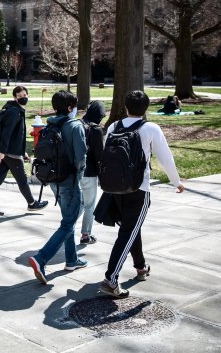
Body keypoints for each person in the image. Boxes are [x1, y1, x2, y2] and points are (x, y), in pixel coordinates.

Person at [100, 90, 184, 298]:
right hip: (139, 188)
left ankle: (141, 267)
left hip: (114, 188)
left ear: (126, 107)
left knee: (131, 227)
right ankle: (111, 279)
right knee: (128, 231)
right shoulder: (150, 128)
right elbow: (165, 158)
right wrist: (177, 182)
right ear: (145, 109)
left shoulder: (113, 127)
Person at [28, 90, 87, 284]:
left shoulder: (49, 125)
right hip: (69, 181)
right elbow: (80, 157)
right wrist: (79, 176)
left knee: (67, 220)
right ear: (70, 107)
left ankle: (71, 260)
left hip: (53, 180)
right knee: (68, 223)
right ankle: (41, 258)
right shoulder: (75, 126)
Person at [0, 85, 48, 217]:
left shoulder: (14, 109)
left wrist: (22, 151)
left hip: (10, 151)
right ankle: (32, 204)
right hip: (10, 152)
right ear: (15, 98)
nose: (23, 98)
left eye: (25, 95)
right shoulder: (14, 112)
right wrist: (2, 151)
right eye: (20, 96)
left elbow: (17, 135)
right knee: (22, 179)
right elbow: (7, 133)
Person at [79, 100, 105, 245]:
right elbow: (99, 156)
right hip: (89, 173)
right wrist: (103, 177)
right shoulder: (96, 130)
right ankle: (85, 235)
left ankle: (66, 227)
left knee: (80, 203)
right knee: (89, 205)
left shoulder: (77, 124)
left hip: (74, 172)